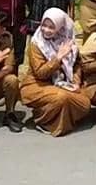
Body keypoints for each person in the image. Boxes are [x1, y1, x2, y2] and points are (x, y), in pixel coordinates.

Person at [22, 8, 91, 136]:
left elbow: (76, 65)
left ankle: (50, 113)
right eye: (44, 25)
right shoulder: (37, 44)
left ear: (60, 28)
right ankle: (43, 121)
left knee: (85, 103)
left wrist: (75, 83)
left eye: (51, 27)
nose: (46, 30)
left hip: (62, 83)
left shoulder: (66, 40)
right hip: (36, 84)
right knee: (61, 97)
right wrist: (58, 57)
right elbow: (40, 73)